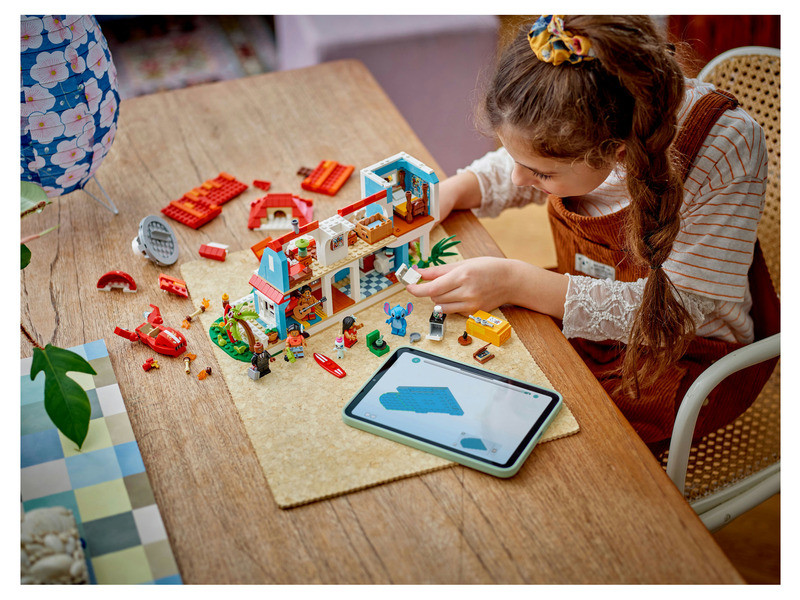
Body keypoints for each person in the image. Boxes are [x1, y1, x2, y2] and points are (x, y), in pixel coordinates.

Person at [406, 15, 779, 449]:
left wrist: (515, 281)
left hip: (682, 358)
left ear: (617, 152)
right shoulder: (578, 117)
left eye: (542, 175)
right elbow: (531, 151)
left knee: (554, 440)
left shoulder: (724, 146)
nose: (518, 179)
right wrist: (455, 190)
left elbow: (680, 311)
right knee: (489, 381)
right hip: (586, 314)